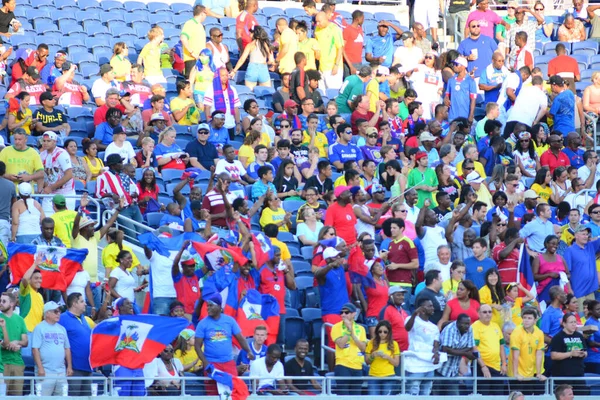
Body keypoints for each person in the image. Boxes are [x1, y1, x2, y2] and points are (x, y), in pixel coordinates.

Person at [194, 292, 254, 396]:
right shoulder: (202, 323)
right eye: (207, 305)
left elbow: (240, 338)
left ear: (219, 306)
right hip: (211, 365)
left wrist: (248, 351)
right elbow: (197, 346)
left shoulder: (229, 321)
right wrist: (205, 362)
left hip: (228, 363)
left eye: (211, 305)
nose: (208, 308)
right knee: (213, 395)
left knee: (232, 393)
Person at [32, 301, 72, 396]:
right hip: (45, 372)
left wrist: (69, 366)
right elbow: (35, 349)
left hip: (61, 372)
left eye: (59, 311)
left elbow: (67, 348)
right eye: (55, 311)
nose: (59, 313)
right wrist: (40, 368)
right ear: (47, 313)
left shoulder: (62, 329)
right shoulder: (39, 328)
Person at [58, 293, 94, 396]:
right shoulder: (62, 318)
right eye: (82, 301)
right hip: (74, 368)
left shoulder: (84, 319)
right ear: (74, 304)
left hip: (88, 366)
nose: (85, 304)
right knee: (74, 397)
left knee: (87, 398)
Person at [404, 298, 441, 396]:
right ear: (422, 309)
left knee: (426, 394)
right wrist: (414, 314)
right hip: (414, 366)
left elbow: (436, 344)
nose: (433, 308)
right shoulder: (411, 319)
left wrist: (436, 353)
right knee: (412, 393)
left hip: (429, 365)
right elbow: (407, 328)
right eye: (430, 306)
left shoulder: (434, 327)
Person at [331, 302, 366, 395]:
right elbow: (341, 344)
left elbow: (363, 348)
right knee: (343, 396)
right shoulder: (336, 327)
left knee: (356, 396)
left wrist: (353, 334)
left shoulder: (361, 329)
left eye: (346, 312)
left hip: (357, 366)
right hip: (342, 365)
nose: (343, 314)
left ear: (354, 314)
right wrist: (348, 330)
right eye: (341, 312)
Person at [472, 304, 507, 396]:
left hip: (497, 367)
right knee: (484, 395)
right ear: (478, 314)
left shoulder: (496, 326)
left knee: (498, 395)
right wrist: (483, 366)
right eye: (484, 312)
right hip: (482, 366)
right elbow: (474, 348)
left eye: (490, 312)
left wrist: (504, 364)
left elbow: (501, 346)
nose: (488, 314)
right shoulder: (475, 326)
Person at [437, 314, 476, 396]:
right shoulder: (450, 329)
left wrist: (454, 350)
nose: (467, 326)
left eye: (468, 324)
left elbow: (469, 347)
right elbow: (445, 349)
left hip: (453, 371)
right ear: (457, 323)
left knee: (454, 396)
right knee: (436, 397)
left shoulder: (470, 329)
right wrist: (464, 353)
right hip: (440, 370)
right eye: (464, 324)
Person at [551, 313, 589, 395]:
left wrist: (583, 354)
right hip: (563, 375)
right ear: (564, 324)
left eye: (575, 322)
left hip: (579, 374)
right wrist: (570, 354)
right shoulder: (558, 337)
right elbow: (553, 355)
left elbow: (586, 352)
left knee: (582, 396)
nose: (574, 324)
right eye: (571, 322)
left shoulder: (579, 336)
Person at [564, 224, 600, 308]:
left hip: (591, 289)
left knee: (591, 315)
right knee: (581, 317)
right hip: (578, 291)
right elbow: (566, 272)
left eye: (587, 234)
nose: (585, 236)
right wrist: (569, 289)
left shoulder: (590, 246)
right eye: (583, 234)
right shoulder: (570, 250)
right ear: (576, 235)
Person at [0, 291, 28, 396]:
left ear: (12, 304)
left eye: (4, 301)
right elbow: (3, 343)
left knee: (17, 396)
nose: (1, 303)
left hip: (18, 363)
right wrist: (10, 345)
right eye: (0, 301)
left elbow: (25, 342)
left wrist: (17, 342)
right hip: (2, 364)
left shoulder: (20, 320)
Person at [364, 320, 399, 396]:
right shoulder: (371, 343)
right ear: (377, 332)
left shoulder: (394, 344)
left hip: (388, 377)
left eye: (385, 332)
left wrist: (387, 357)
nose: (382, 334)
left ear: (389, 332)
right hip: (373, 376)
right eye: (380, 332)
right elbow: (367, 362)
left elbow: (396, 363)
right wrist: (372, 356)